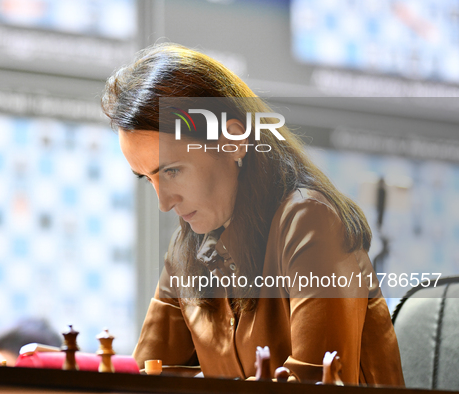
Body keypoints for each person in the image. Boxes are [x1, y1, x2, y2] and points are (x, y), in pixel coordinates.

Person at [101, 42, 404, 386]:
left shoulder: (309, 221)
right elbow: (142, 377)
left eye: (171, 171)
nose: (164, 202)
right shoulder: (186, 247)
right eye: (148, 178)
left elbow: (313, 384)